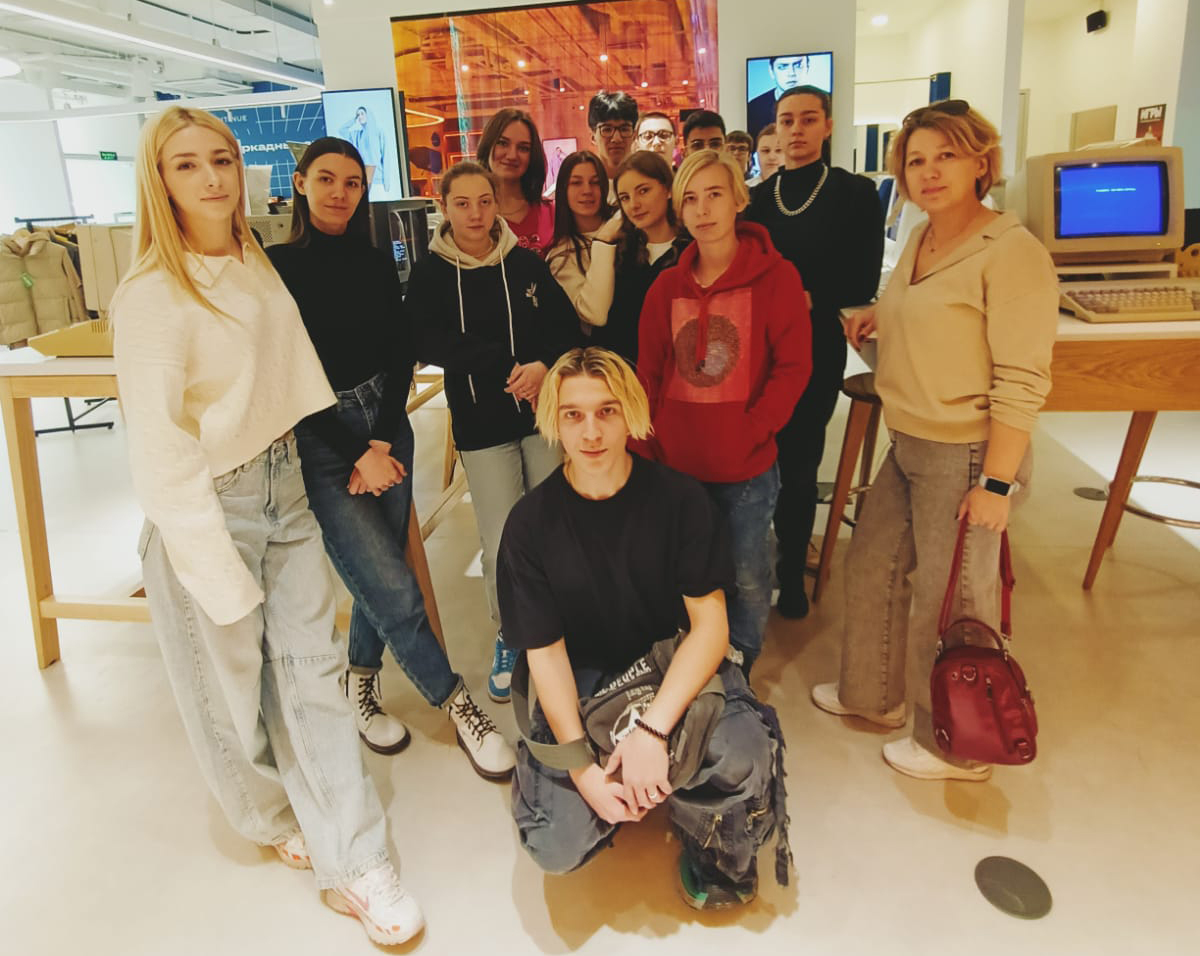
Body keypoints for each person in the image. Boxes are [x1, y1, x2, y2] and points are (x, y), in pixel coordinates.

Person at [112, 106, 422, 946]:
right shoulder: (150, 294)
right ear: (158, 180)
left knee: (312, 671)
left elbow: (292, 372)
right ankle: (268, 814)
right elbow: (160, 449)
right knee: (228, 690)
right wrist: (212, 565)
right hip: (207, 506)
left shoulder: (251, 262)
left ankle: (356, 859)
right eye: (186, 164)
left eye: (221, 158)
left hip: (282, 483)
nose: (211, 177)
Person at [809, 100, 1058, 781]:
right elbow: (926, 310)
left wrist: (997, 485)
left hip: (966, 451)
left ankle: (959, 745)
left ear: (981, 162)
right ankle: (872, 696)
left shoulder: (1012, 252)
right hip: (910, 437)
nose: (930, 171)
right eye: (916, 160)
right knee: (874, 566)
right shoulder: (922, 237)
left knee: (954, 603)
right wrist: (879, 315)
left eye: (946, 155)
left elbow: (1021, 379)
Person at [498, 347, 790, 909]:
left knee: (744, 756)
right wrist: (584, 775)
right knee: (553, 843)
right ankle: (629, 789)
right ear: (553, 420)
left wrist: (653, 734)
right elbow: (546, 656)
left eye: (607, 411)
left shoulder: (681, 501)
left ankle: (685, 811)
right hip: (585, 680)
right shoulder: (529, 525)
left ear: (631, 413)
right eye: (573, 415)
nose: (591, 432)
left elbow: (710, 629)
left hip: (667, 661)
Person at [267, 137, 516, 780]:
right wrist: (356, 450)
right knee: (390, 581)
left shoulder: (376, 262)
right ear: (300, 182)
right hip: (323, 439)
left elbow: (400, 351)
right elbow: (287, 377)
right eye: (326, 179)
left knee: (380, 569)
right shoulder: (275, 267)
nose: (339, 192)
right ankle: (457, 705)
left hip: (385, 423)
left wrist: (380, 440)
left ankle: (361, 680)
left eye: (352, 182)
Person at [407, 161, 579, 704]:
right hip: (482, 425)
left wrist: (543, 366)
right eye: (462, 203)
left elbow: (563, 328)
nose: (476, 214)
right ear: (444, 206)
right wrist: (503, 364)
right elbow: (427, 340)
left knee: (552, 525)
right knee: (502, 535)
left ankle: (559, 625)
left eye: (485, 201)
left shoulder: (525, 264)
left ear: (496, 204)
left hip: (539, 415)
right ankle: (512, 633)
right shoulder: (431, 273)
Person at [636, 150, 812, 672]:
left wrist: (753, 429)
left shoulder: (776, 278)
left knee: (748, 574)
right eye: (690, 198)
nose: (703, 209)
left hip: (745, 469)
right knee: (684, 573)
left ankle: (740, 670)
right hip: (677, 466)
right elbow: (648, 374)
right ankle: (691, 666)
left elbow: (793, 367)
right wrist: (647, 443)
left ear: (738, 199)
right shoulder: (665, 287)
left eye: (714, 194)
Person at [747, 85, 884, 621]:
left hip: (815, 347)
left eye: (808, 119)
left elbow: (863, 279)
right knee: (758, 458)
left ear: (827, 125)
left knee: (801, 465)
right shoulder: (758, 200)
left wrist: (804, 296)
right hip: (758, 350)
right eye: (787, 120)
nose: (796, 130)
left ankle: (791, 575)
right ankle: (754, 565)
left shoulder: (855, 194)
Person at [591, 150, 689, 368]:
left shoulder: (691, 251)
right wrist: (603, 241)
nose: (633, 204)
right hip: (623, 374)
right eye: (625, 198)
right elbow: (601, 323)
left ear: (668, 189)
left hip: (678, 371)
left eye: (643, 191)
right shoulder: (621, 252)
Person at [544, 150, 624, 333]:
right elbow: (595, 313)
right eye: (576, 183)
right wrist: (604, 240)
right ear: (563, 190)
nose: (587, 190)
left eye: (595, 182)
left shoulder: (626, 224)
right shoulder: (561, 256)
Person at [477, 108, 554, 253]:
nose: (512, 155)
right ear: (488, 145)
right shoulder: (473, 216)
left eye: (523, 148)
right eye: (503, 143)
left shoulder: (552, 214)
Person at [747, 55, 815, 139]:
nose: (791, 73)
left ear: (807, 67)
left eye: (798, 65)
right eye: (782, 67)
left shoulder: (824, 102)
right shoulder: (754, 108)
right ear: (771, 71)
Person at [588, 91, 639, 197]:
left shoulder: (646, 182)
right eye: (607, 129)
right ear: (593, 137)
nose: (617, 138)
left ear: (634, 135)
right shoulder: (582, 186)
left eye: (624, 129)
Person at [339, 105, 389, 194]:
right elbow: (342, 130)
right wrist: (354, 119)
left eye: (362, 114)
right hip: (363, 180)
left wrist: (387, 182)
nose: (360, 117)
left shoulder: (379, 132)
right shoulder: (357, 135)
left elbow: (386, 157)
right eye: (358, 115)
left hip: (377, 181)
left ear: (368, 115)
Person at [748, 123, 784, 189]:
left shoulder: (799, 189)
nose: (772, 157)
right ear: (757, 154)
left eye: (778, 150)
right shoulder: (743, 189)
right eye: (766, 151)